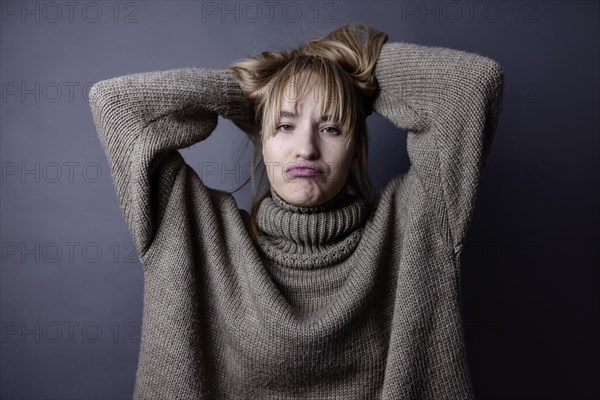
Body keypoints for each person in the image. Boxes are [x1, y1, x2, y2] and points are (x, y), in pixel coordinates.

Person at [89, 24, 504, 400]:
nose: (306, 148)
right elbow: (117, 106)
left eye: (331, 128)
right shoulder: (194, 228)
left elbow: (469, 86)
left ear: (356, 145)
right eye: (284, 127)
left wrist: (347, 71)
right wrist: (256, 91)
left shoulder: (416, 221)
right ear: (261, 138)